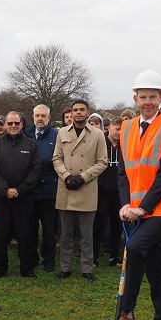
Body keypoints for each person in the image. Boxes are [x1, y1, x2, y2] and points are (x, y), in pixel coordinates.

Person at [113, 69, 161, 320]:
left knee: (134, 247)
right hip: (136, 208)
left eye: (152, 97)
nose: (147, 102)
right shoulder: (129, 128)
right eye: (143, 97)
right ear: (135, 98)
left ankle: (127, 312)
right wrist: (125, 204)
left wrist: (143, 207)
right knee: (157, 267)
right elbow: (123, 170)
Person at [52, 99, 108, 282]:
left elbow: (102, 162)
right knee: (66, 234)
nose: (78, 113)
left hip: (87, 187)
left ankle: (87, 268)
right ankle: (65, 268)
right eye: (75, 110)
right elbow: (57, 158)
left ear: (87, 112)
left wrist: (83, 178)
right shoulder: (62, 132)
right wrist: (67, 176)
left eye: (81, 110)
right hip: (66, 187)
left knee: (86, 234)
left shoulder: (98, 134)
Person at [0, 111, 40, 278]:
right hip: (1, 199)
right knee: (0, 235)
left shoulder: (31, 145)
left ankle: (27, 269)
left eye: (16, 123)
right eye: (9, 123)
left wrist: (20, 190)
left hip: (23, 198)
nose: (13, 126)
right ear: (4, 124)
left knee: (25, 235)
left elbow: (35, 171)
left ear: (22, 124)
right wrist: (4, 190)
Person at [23, 104, 59, 272]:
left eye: (43, 116)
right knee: (30, 228)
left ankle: (49, 260)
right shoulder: (27, 134)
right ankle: (31, 258)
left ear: (49, 118)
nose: (40, 118)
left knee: (48, 228)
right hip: (29, 190)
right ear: (33, 117)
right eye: (37, 115)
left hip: (48, 189)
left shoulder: (56, 135)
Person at [94, 117, 123, 267]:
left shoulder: (125, 145)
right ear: (109, 127)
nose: (119, 132)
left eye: (122, 129)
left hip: (119, 193)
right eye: (117, 129)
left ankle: (114, 256)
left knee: (117, 226)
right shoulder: (101, 143)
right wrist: (101, 184)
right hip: (102, 192)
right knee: (98, 225)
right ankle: (94, 257)